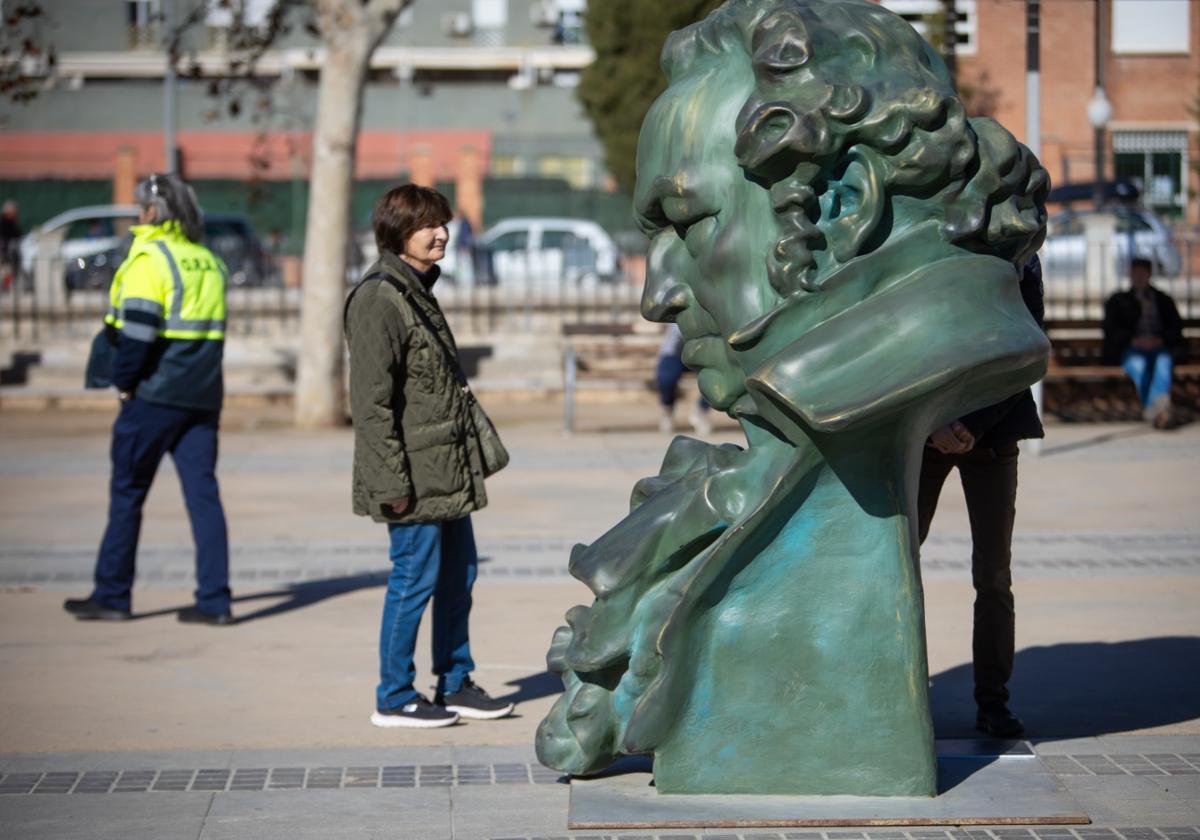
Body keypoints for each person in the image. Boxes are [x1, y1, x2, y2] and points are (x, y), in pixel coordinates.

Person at [345, 183, 514, 729]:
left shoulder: (416, 289)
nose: (441, 233)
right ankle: (393, 695)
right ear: (398, 234)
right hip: (412, 476)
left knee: (458, 576)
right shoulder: (379, 298)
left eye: (444, 223)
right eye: (428, 225)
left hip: (447, 469)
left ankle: (455, 681)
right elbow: (371, 405)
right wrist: (390, 482)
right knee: (413, 581)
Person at [64, 173, 232, 625]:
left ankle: (112, 595)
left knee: (127, 494)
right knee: (204, 498)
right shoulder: (208, 261)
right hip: (202, 399)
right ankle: (215, 602)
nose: (139, 216)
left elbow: (136, 337)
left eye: (142, 208)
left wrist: (123, 383)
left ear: (154, 212)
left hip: (153, 399)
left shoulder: (148, 260)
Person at [917, 255, 1046, 739]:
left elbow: (1026, 350)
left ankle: (993, 702)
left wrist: (970, 425)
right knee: (895, 563)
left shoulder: (1021, 259)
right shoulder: (933, 240)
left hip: (991, 432)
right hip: (923, 431)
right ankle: (896, 695)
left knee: (993, 573)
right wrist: (931, 422)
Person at [1103, 257, 1184, 429]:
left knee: (1163, 363)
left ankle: (1152, 410)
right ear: (1130, 274)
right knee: (1139, 365)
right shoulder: (1119, 300)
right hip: (1131, 348)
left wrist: (1159, 340)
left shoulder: (1163, 300)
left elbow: (1176, 328)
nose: (1139, 277)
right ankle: (1159, 412)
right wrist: (1133, 340)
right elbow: (1111, 330)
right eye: (1135, 273)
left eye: (1143, 273)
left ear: (1149, 275)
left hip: (1159, 346)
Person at [656, 323, 712, 434]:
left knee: (714, 380)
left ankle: (700, 411)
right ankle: (667, 410)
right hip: (674, 351)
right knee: (666, 379)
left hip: (702, 351)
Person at [0, 200, 20, 290]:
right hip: (4, 251)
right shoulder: (3, 223)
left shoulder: (13, 222)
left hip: (10, 252)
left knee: (8, 271)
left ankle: (6, 286)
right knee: (5, 270)